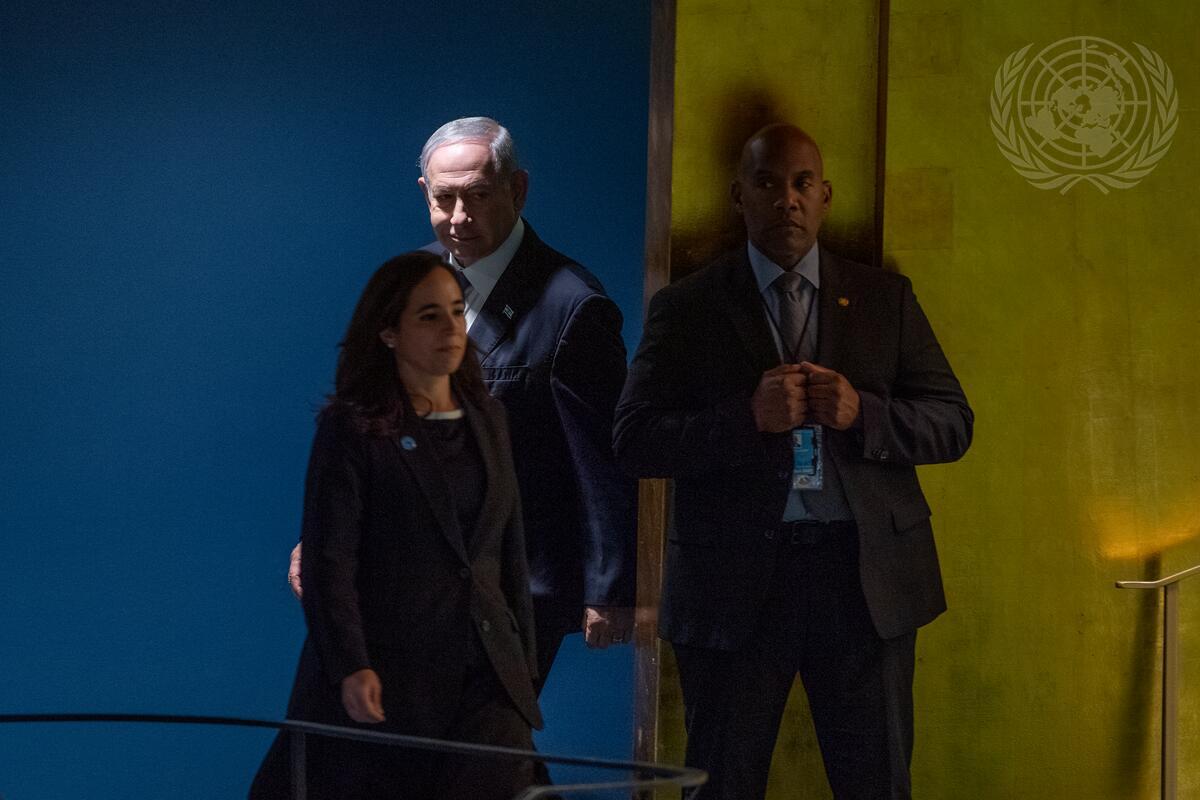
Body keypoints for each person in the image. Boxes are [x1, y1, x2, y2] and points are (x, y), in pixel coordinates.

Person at [612, 123, 974, 799]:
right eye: (768, 183)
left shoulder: (884, 299)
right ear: (739, 196)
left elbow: (954, 423)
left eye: (802, 183)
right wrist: (743, 419)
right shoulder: (687, 308)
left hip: (864, 582)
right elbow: (633, 440)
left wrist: (864, 414)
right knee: (720, 785)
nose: (788, 200)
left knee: (876, 785)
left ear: (825, 196)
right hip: (735, 584)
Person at [289, 117, 638, 689]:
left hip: (512, 583)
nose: (459, 217)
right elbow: (371, 425)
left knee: (486, 733)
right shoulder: (408, 283)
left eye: (477, 196)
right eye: (444, 198)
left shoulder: (572, 306)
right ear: (424, 192)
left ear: (517, 190)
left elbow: (603, 461)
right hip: (404, 571)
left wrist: (612, 587)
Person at [251, 252, 541, 799]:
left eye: (455, 312)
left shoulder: (490, 418)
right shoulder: (352, 428)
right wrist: (351, 666)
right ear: (388, 332)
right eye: (429, 316)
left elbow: (508, 548)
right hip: (391, 678)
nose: (450, 328)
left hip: (485, 679)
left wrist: (521, 665)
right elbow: (329, 562)